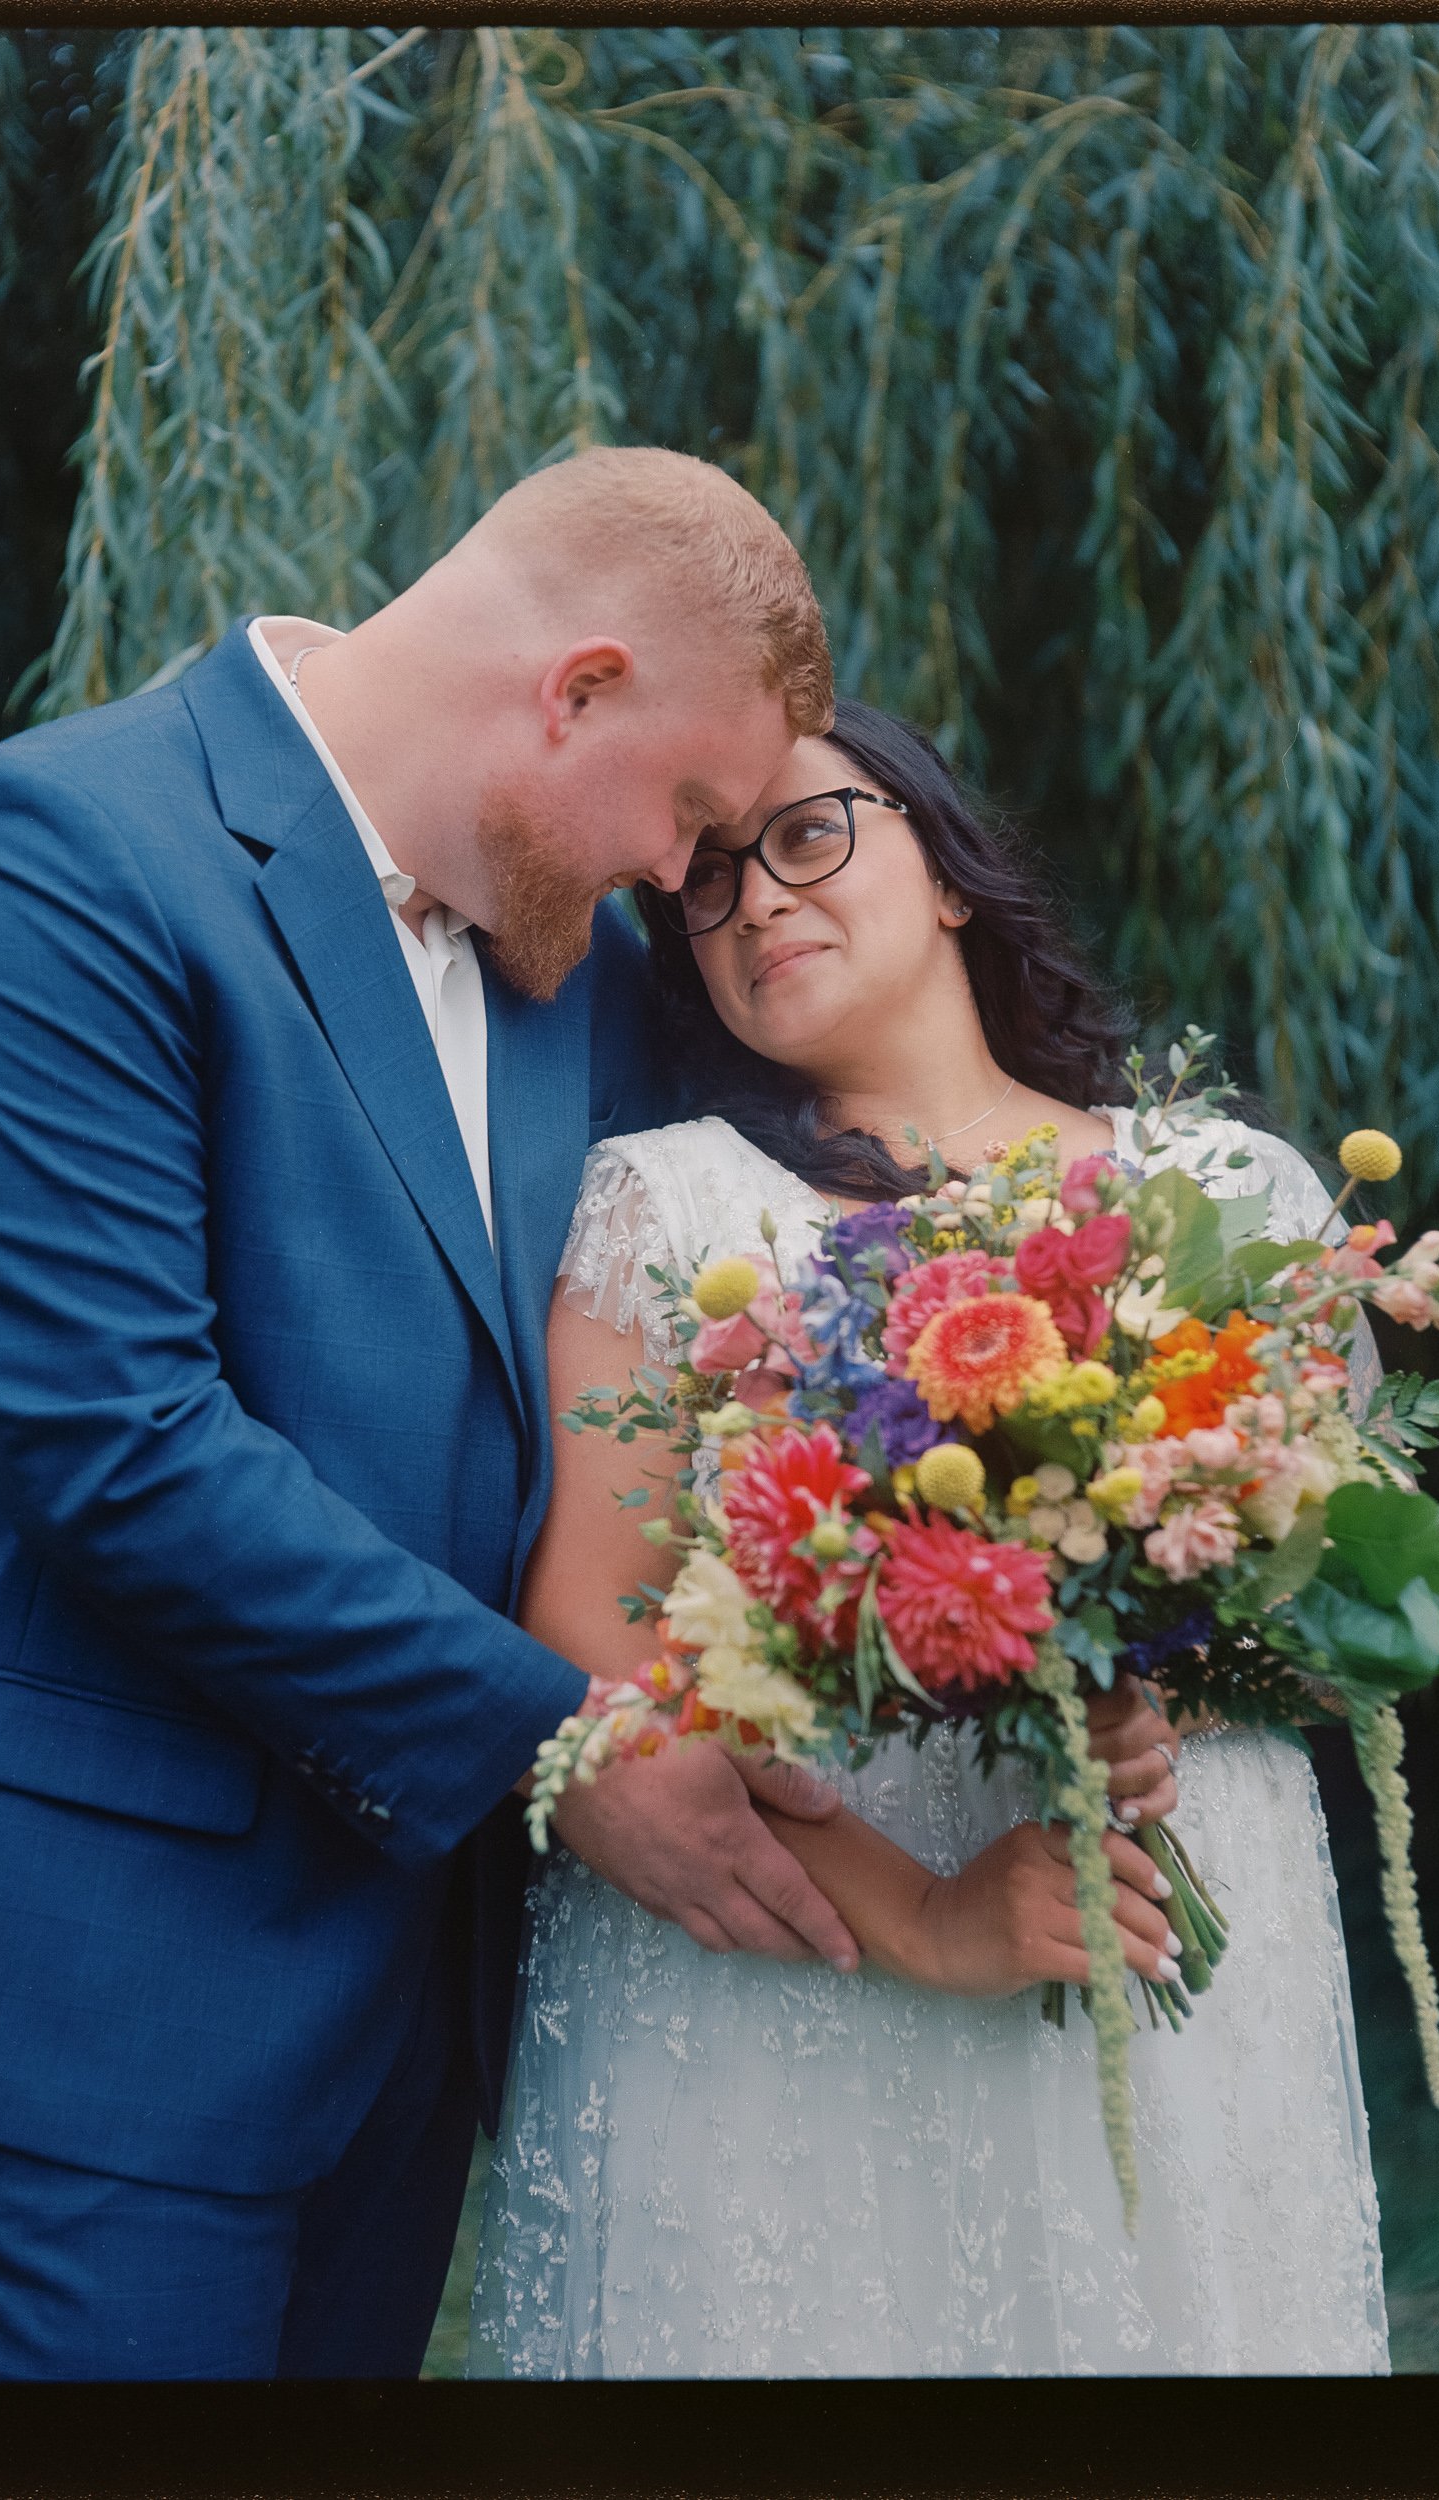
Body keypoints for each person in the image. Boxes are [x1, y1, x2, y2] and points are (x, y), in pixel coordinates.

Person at [0, 447, 887, 2381]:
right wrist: (570, 1750)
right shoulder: (53, 865)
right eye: (689, 814)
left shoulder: (567, 966)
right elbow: (120, 1449)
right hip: (93, 1965)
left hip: (407, 1986)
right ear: (575, 688)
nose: (688, 883)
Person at [469, 700, 1391, 2376]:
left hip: (1152, 1910)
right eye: (708, 881)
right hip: (791, 1990)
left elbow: (1347, 1609)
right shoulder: (665, 1211)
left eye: (809, 835)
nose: (755, 900)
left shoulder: (1235, 1194)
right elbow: (597, 1641)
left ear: (952, 868)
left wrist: (1131, 1684)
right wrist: (922, 1906)